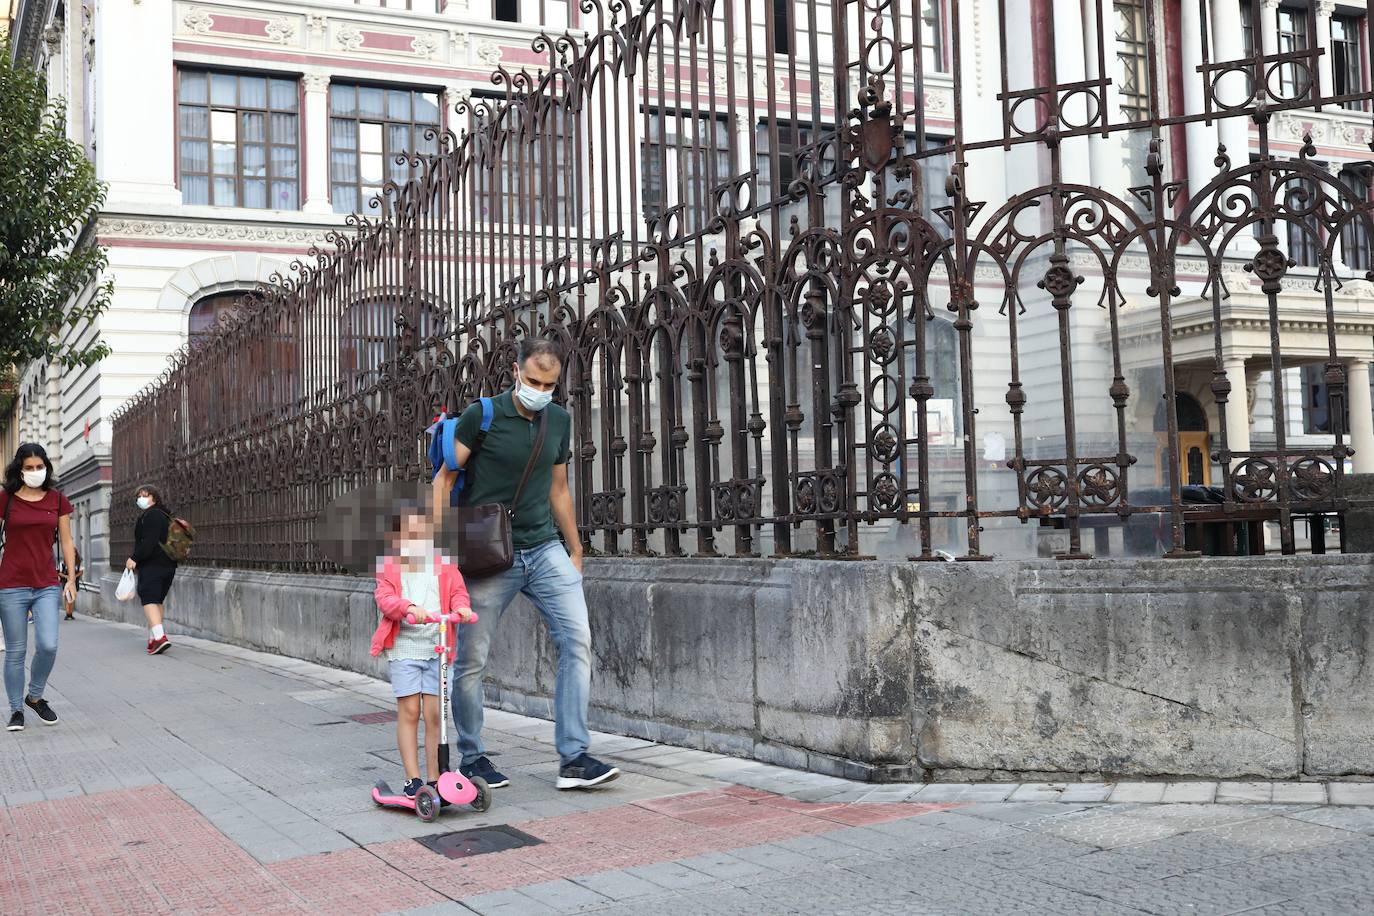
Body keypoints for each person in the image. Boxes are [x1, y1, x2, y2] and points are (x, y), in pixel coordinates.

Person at [432, 338, 619, 791]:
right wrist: (437, 551)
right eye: (533, 380)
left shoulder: (558, 420)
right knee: (472, 660)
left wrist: (576, 548)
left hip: (545, 548)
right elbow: (444, 478)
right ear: (516, 371)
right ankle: (473, 758)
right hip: (489, 554)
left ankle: (574, 757)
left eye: (549, 384)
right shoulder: (484, 415)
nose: (540, 389)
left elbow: (558, 487)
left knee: (577, 642)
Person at [372, 506, 474, 797]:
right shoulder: (390, 567)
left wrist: (461, 607)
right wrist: (408, 608)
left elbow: (457, 592)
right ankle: (412, 778)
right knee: (410, 711)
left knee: (435, 714)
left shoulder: (444, 565)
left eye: (423, 534)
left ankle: (434, 778)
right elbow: (385, 598)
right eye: (410, 535)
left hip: (437, 649)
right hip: (405, 649)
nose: (417, 540)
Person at [0, 443, 78, 732]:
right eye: (29, 468)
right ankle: (16, 710)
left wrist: (70, 578)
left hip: (45, 583)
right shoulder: (6, 499)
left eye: (39, 467)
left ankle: (34, 696)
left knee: (48, 644)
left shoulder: (57, 499)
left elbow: (67, 541)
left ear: (46, 467)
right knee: (16, 652)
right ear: (19, 470)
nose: (35, 472)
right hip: (11, 584)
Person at [126, 485, 177, 655]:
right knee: (156, 601)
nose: (141, 498)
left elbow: (149, 541)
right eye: (139, 496)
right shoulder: (165, 514)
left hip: (153, 564)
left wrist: (134, 557)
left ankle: (160, 637)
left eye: (145, 495)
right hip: (169, 564)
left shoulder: (152, 515)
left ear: (154, 497)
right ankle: (153, 639)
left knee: (148, 597)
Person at [59, 548, 83, 620]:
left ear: (76, 553)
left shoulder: (78, 562)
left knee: (73, 596)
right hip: (65, 582)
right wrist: (66, 576)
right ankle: (67, 613)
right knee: (67, 597)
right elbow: (59, 572)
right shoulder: (63, 562)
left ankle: (70, 613)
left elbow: (81, 571)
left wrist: (75, 576)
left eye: (74, 552)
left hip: (74, 582)